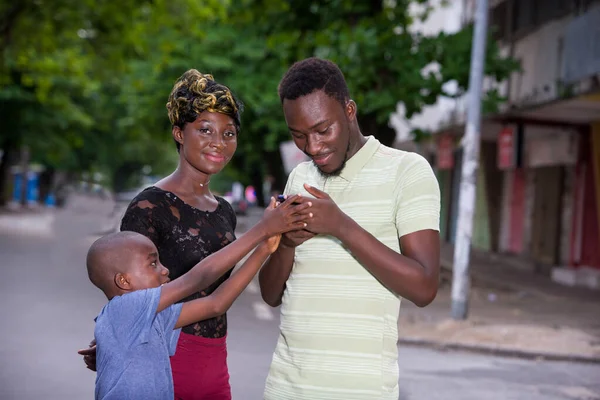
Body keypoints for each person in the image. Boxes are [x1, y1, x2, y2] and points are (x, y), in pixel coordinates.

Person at [258, 57, 441, 400]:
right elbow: (271, 295)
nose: (313, 148)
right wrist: (286, 245)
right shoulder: (300, 177)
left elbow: (425, 287)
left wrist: (341, 226)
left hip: (362, 391)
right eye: (299, 136)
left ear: (350, 110)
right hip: (286, 388)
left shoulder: (408, 171)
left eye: (323, 130)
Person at [78, 69, 263, 399]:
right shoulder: (149, 205)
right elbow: (127, 291)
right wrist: (109, 340)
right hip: (165, 356)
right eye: (205, 130)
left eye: (229, 133)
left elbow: (217, 300)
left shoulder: (224, 211)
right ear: (179, 132)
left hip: (215, 358)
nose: (218, 142)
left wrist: (271, 240)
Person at [88, 196, 311, 400]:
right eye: (153, 263)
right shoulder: (125, 309)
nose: (164, 270)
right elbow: (198, 278)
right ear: (123, 281)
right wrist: (263, 229)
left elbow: (216, 304)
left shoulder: (152, 317)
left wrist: (263, 250)